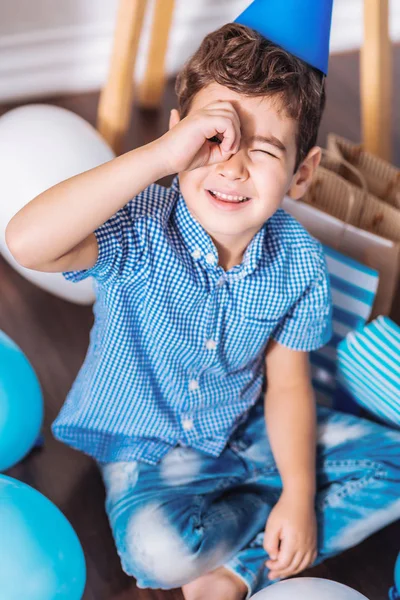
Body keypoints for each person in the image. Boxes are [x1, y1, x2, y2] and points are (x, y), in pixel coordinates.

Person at [6, 12, 400, 600]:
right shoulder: (139, 227)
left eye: (265, 150)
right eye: (212, 138)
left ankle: (241, 568)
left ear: (303, 174)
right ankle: (258, 535)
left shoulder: (298, 264)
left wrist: (297, 493)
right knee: (158, 554)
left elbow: (288, 384)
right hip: (146, 451)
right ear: (177, 134)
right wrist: (160, 158)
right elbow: (25, 242)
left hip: (249, 437)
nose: (232, 165)